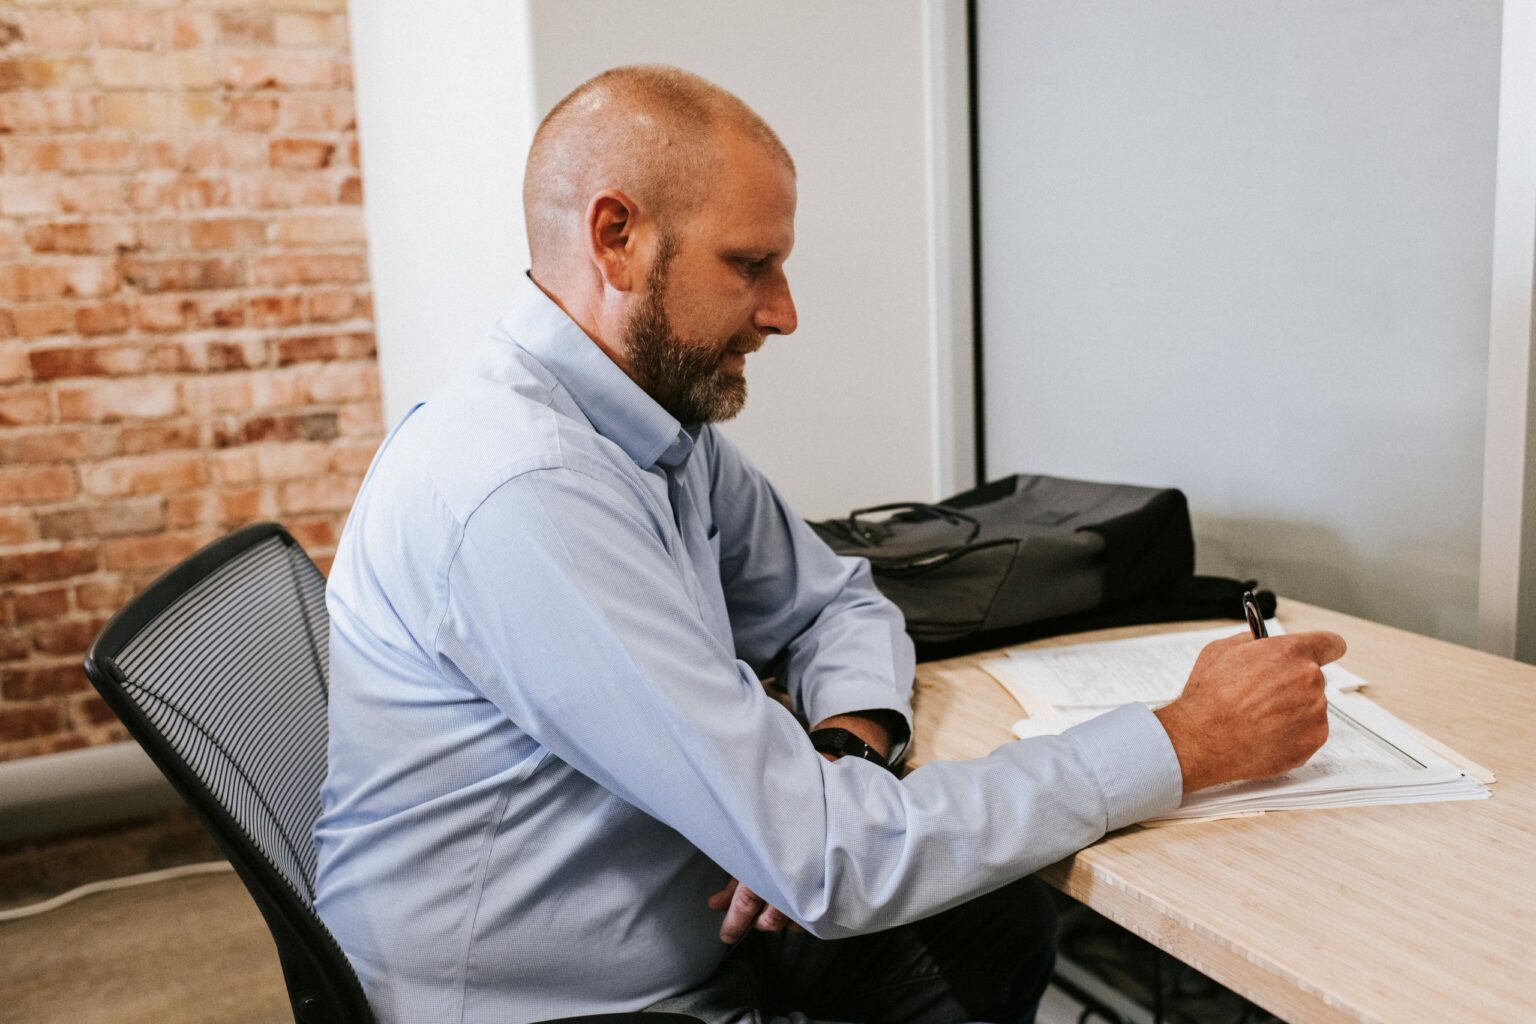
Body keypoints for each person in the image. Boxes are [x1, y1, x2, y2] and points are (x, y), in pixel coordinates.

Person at [313, 65, 1345, 1024]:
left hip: (686, 920)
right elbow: (832, 858)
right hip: (561, 1005)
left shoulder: (648, 427)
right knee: (944, 904)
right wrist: (1183, 739)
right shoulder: (527, 494)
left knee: (997, 919)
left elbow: (834, 600)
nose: (784, 312)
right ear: (616, 238)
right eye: (749, 265)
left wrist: (840, 746)